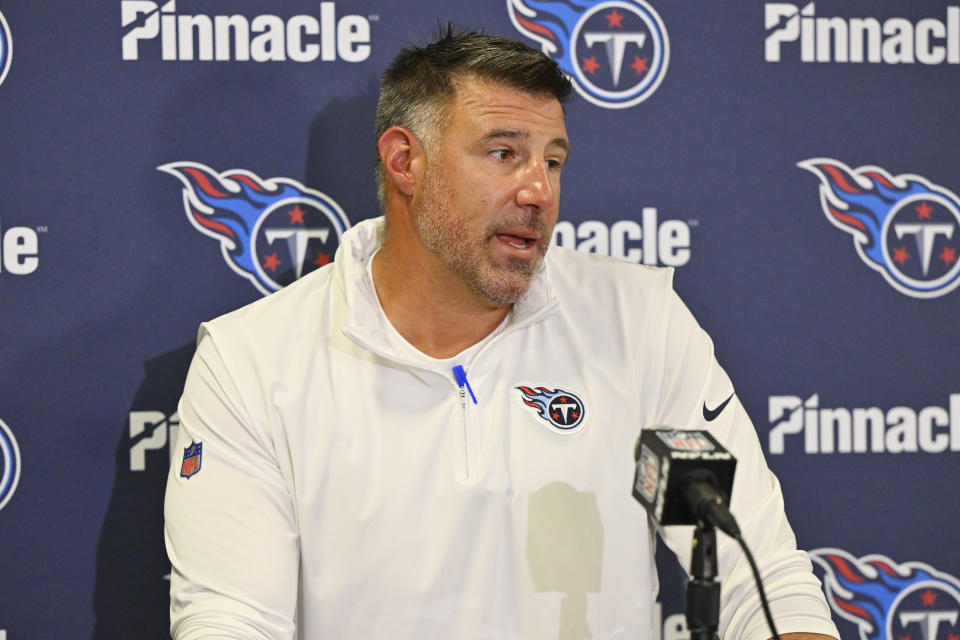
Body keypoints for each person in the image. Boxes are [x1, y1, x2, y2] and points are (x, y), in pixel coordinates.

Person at [164, 25, 840, 640]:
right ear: (405, 161)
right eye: (502, 153)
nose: (539, 192)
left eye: (552, 160)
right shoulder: (252, 362)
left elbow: (758, 578)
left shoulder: (639, 324)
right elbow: (232, 621)